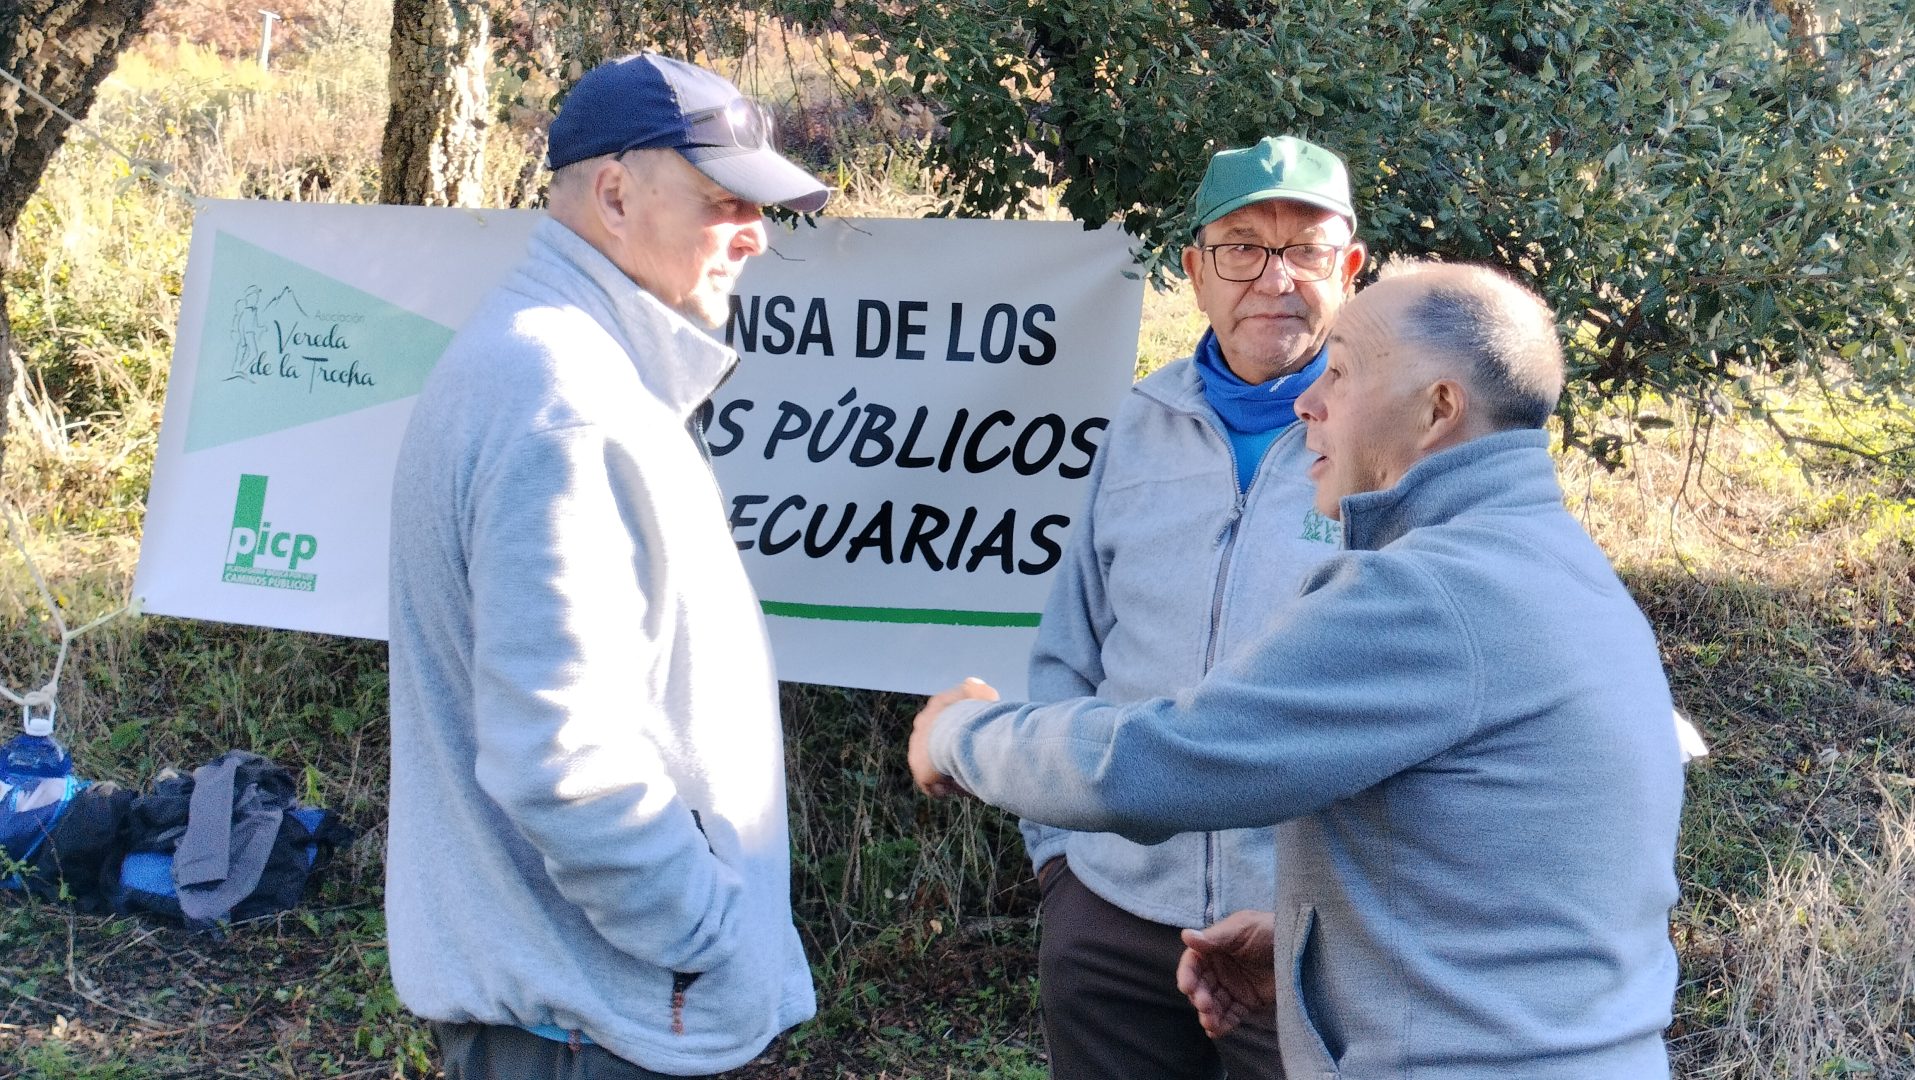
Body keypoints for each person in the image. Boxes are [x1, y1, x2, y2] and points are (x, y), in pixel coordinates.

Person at [911, 260, 1685, 1078]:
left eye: (1340, 373)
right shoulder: (1556, 562)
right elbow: (1518, 880)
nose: (1307, 402)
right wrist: (1324, 950)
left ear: (1437, 409)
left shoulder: (1425, 594)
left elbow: (1155, 765)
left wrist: (959, 735)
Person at [385, 52, 829, 1079]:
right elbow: (565, 760)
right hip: (597, 1022)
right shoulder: (569, 407)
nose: (754, 235)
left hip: (584, 1010)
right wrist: (708, 941)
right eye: (724, 202)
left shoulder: (551, 365)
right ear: (616, 195)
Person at [1012, 134, 1365, 1079]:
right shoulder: (1135, 424)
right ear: (1194, 271)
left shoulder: (1393, 441)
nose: (1274, 278)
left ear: (1349, 269)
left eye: (1305, 250)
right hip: (1110, 916)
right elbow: (1068, 648)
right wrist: (1060, 863)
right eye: (1242, 247)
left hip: (1307, 934)